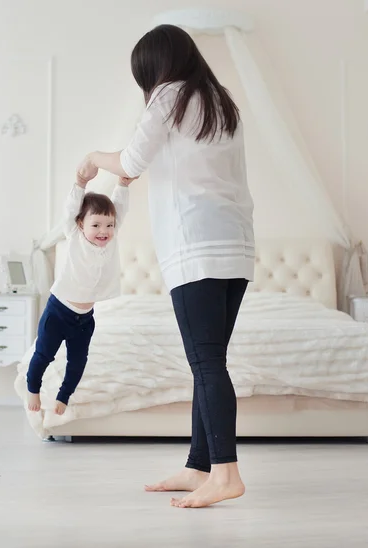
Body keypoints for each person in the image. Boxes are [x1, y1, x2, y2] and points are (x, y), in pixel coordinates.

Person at [77, 24, 255, 509]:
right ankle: (200, 465)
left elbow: (131, 163)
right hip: (237, 247)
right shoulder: (223, 103)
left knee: (207, 363)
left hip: (195, 246)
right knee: (209, 362)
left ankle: (226, 473)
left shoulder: (168, 96)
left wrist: (94, 157)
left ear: (157, 68)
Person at [26, 167, 130, 416]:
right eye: (96, 225)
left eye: (109, 225)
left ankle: (64, 396)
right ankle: (33, 388)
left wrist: (123, 185)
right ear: (81, 224)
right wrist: (80, 183)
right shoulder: (74, 235)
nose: (103, 231)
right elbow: (71, 208)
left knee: (78, 362)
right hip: (58, 311)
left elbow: (119, 209)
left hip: (84, 319)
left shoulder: (110, 241)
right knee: (43, 354)